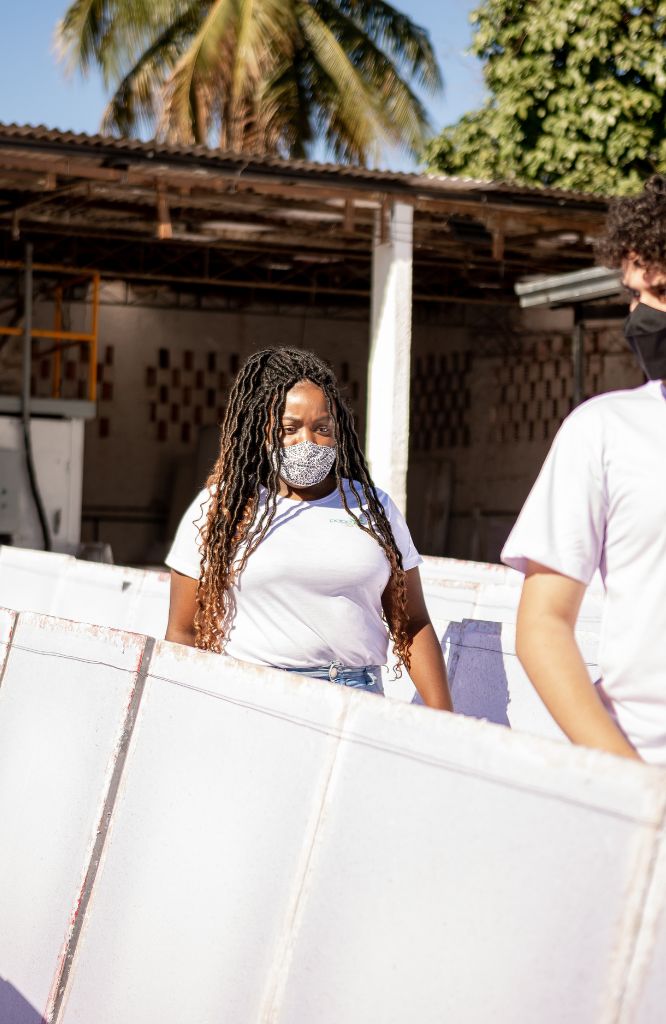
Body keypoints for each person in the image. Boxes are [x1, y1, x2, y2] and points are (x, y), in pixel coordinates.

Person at [165, 347, 452, 710]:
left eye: (322, 428)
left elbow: (412, 623)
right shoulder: (222, 508)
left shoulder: (374, 508)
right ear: (262, 431)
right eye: (289, 428)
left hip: (358, 699)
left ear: (338, 431)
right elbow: (183, 632)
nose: (309, 442)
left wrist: (444, 718)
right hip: (253, 701)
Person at [501, 175, 666, 764]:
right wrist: (632, 783)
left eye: (662, 291)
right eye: (633, 294)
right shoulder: (602, 431)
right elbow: (542, 625)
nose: (641, 315)